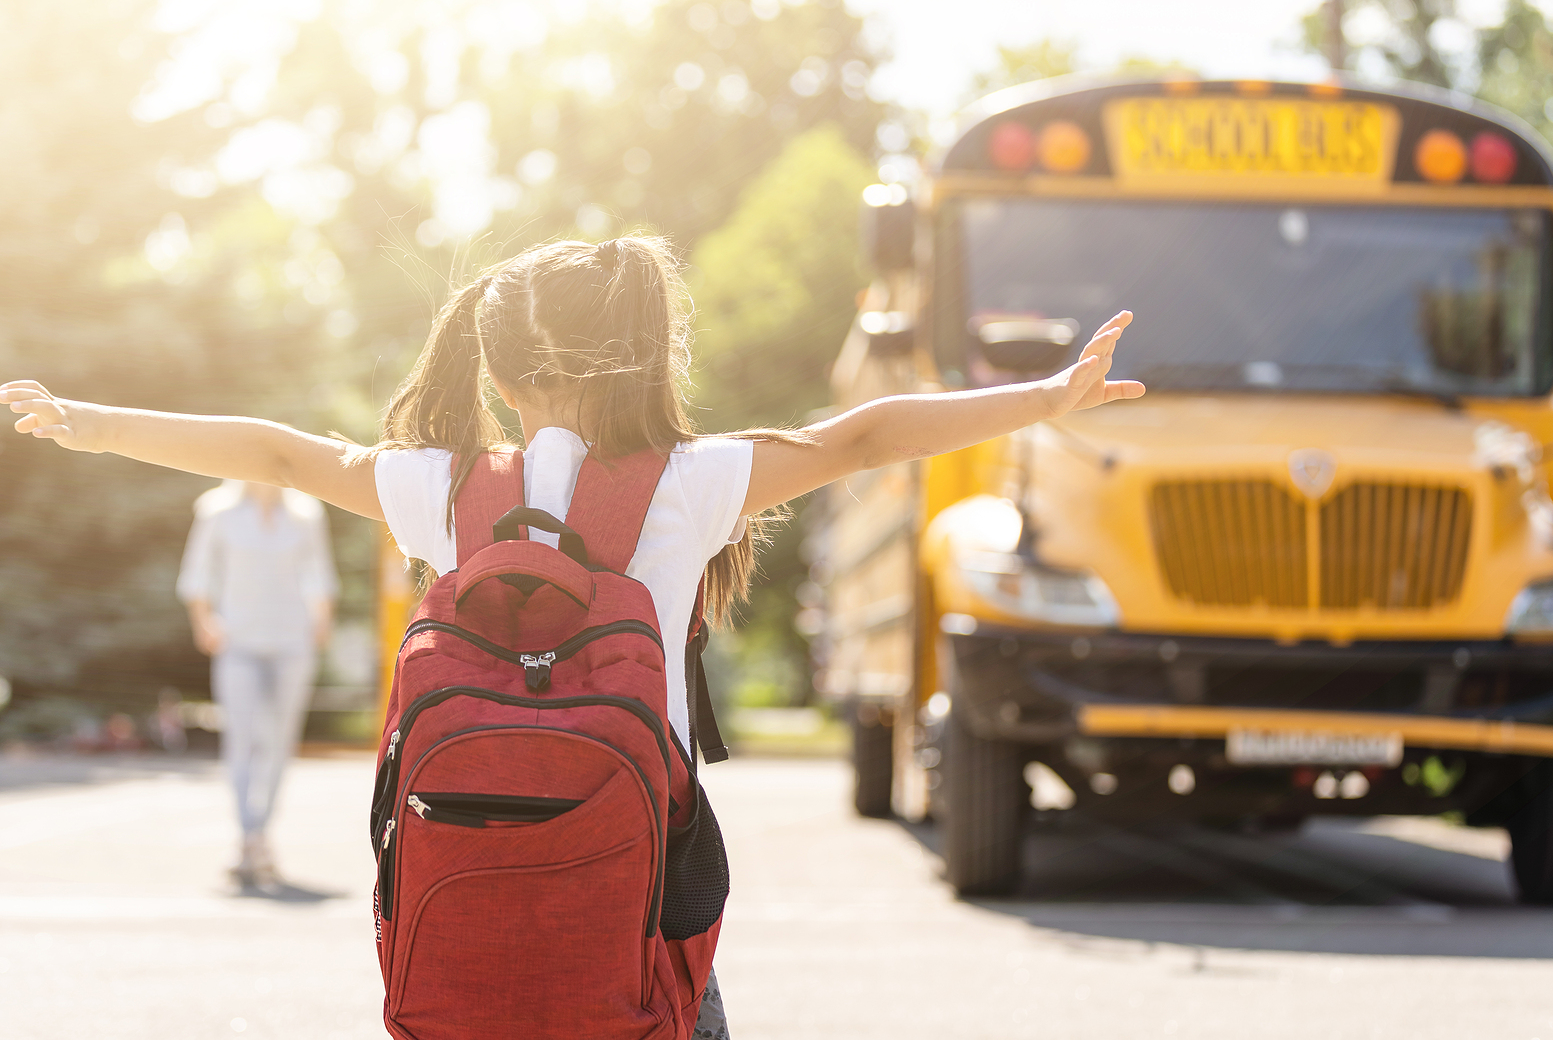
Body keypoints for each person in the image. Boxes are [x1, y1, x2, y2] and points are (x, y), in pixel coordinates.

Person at [3, 235, 1142, 1038]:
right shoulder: (691, 482)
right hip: (647, 851)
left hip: (471, 835)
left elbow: (283, 453)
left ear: (492, 372)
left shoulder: (445, 486)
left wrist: (93, 423)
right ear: (642, 353)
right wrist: (1042, 396)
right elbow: (859, 436)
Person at [177, 479, 337, 887]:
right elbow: (199, 571)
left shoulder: (306, 512)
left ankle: (262, 833)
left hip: (292, 641)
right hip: (239, 641)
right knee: (242, 737)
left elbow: (318, 571)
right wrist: (203, 619)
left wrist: (321, 618)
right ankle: (249, 836)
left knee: (279, 740)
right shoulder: (216, 510)